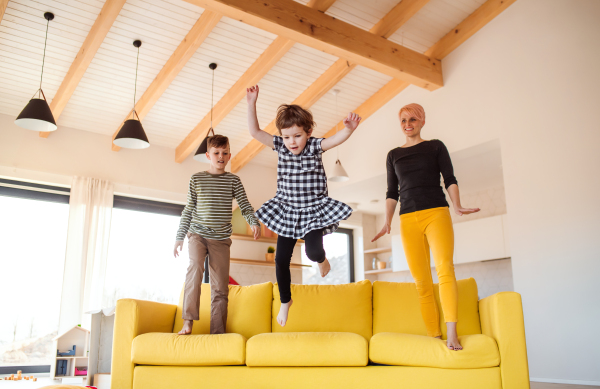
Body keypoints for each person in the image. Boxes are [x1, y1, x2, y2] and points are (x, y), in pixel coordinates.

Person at [246, 84, 360, 327]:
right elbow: (255, 132)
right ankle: (286, 301)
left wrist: (348, 130)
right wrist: (251, 103)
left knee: (312, 252)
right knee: (281, 259)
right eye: (287, 137)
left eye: (297, 135)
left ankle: (322, 260)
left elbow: (334, 139)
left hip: (313, 210)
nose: (292, 142)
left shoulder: (314, 146)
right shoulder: (280, 146)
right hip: (287, 210)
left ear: (308, 131)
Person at [372, 103, 480, 350]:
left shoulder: (436, 146)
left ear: (422, 121)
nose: (407, 124)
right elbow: (392, 192)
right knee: (421, 281)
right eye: (403, 120)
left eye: (412, 119)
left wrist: (457, 205)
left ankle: (452, 333)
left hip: (436, 213)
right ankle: (434, 336)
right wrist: (387, 221)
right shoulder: (393, 155)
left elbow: (449, 178)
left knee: (444, 270)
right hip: (408, 219)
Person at [173, 134, 261, 335]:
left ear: (229, 155)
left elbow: (245, 206)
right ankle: (188, 322)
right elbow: (188, 210)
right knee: (195, 268)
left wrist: (253, 222)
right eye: (216, 153)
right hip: (197, 234)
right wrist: (179, 237)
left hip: (221, 239)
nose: (220, 156)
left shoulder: (233, 180)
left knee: (220, 287)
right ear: (208, 155)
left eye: (224, 153)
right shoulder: (196, 179)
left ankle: (217, 332)